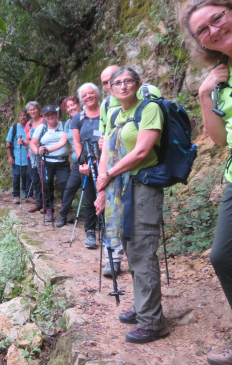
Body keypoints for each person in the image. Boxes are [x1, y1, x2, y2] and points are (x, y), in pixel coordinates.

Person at [181, 1, 232, 363]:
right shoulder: (222, 75)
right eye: (202, 30)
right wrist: (204, 95)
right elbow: (220, 138)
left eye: (217, 18)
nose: (213, 30)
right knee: (223, 257)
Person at [94, 66, 168, 344]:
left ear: (138, 84)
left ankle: (152, 323)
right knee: (131, 247)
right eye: (117, 83)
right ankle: (142, 307)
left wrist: (109, 175)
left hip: (143, 186)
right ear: (110, 88)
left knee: (143, 251)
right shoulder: (115, 114)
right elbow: (107, 151)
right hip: (120, 189)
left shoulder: (148, 109)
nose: (123, 86)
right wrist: (102, 186)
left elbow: (141, 150)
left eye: (128, 81)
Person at [59, 87, 102, 250]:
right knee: (90, 197)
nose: (88, 96)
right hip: (88, 162)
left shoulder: (107, 112)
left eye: (91, 93)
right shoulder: (78, 118)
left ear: (97, 94)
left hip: (107, 160)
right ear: (81, 99)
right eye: (85, 95)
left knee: (109, 196)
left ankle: (106, 230)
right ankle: (90, 232)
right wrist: (83, 162)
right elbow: (76, 142)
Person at [96, 65, 126, 277]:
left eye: (112, 80)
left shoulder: (146, 94)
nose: (109, 86)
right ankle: (113, 259)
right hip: (114, 168)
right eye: (105, 83)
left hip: (143, 168)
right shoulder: (107, 105)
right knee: (112, 212)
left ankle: (135, 259)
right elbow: (105, 145)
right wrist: (102, 181)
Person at [30, 105, 71, 223]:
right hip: (46, 162)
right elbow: (33, 143)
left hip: (62, 161)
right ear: (45, 117)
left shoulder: (64, 126)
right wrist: (37, 151)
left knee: (65, 185)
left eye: (53, 114)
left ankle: (67, 209)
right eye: (48, 115)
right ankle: (48, 209)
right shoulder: (41, 128)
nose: (51, 116)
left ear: (57, 114)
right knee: (47, 186)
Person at [55, 96, 81, 228]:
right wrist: (47, 149)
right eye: (68, 106)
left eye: (73, 105)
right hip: (77, 162)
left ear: (79, 104)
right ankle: (63, 215)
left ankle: (96, 220)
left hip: (92, 161)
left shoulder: (88, 118)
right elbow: (62, 141)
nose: (71, 108)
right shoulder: (68, 123)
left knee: (92, 192)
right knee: (69, 188)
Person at [6, 110, 31, 204]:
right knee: (16, 176)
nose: (22, 117)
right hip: (17, 157)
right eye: (20, 115)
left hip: (28, 157)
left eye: (24, 115)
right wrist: (10, 157)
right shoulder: (14, 128)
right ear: (18, 117)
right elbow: (8, 143)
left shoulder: (30, 126)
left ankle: (28, 195)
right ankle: (16, 195)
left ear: (27, 117)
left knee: (28, 177)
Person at [25, 101, 45, 213]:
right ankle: (38, 203)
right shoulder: (29, 124)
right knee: (35, 179)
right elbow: (28, 140)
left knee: (44, 179)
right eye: (30, 110)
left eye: (34, 109)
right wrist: (23, 142)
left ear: (39, 109)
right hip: (31, 155)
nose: (32, 111)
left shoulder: (45, 120)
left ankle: (47, 203)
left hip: (43, 154)